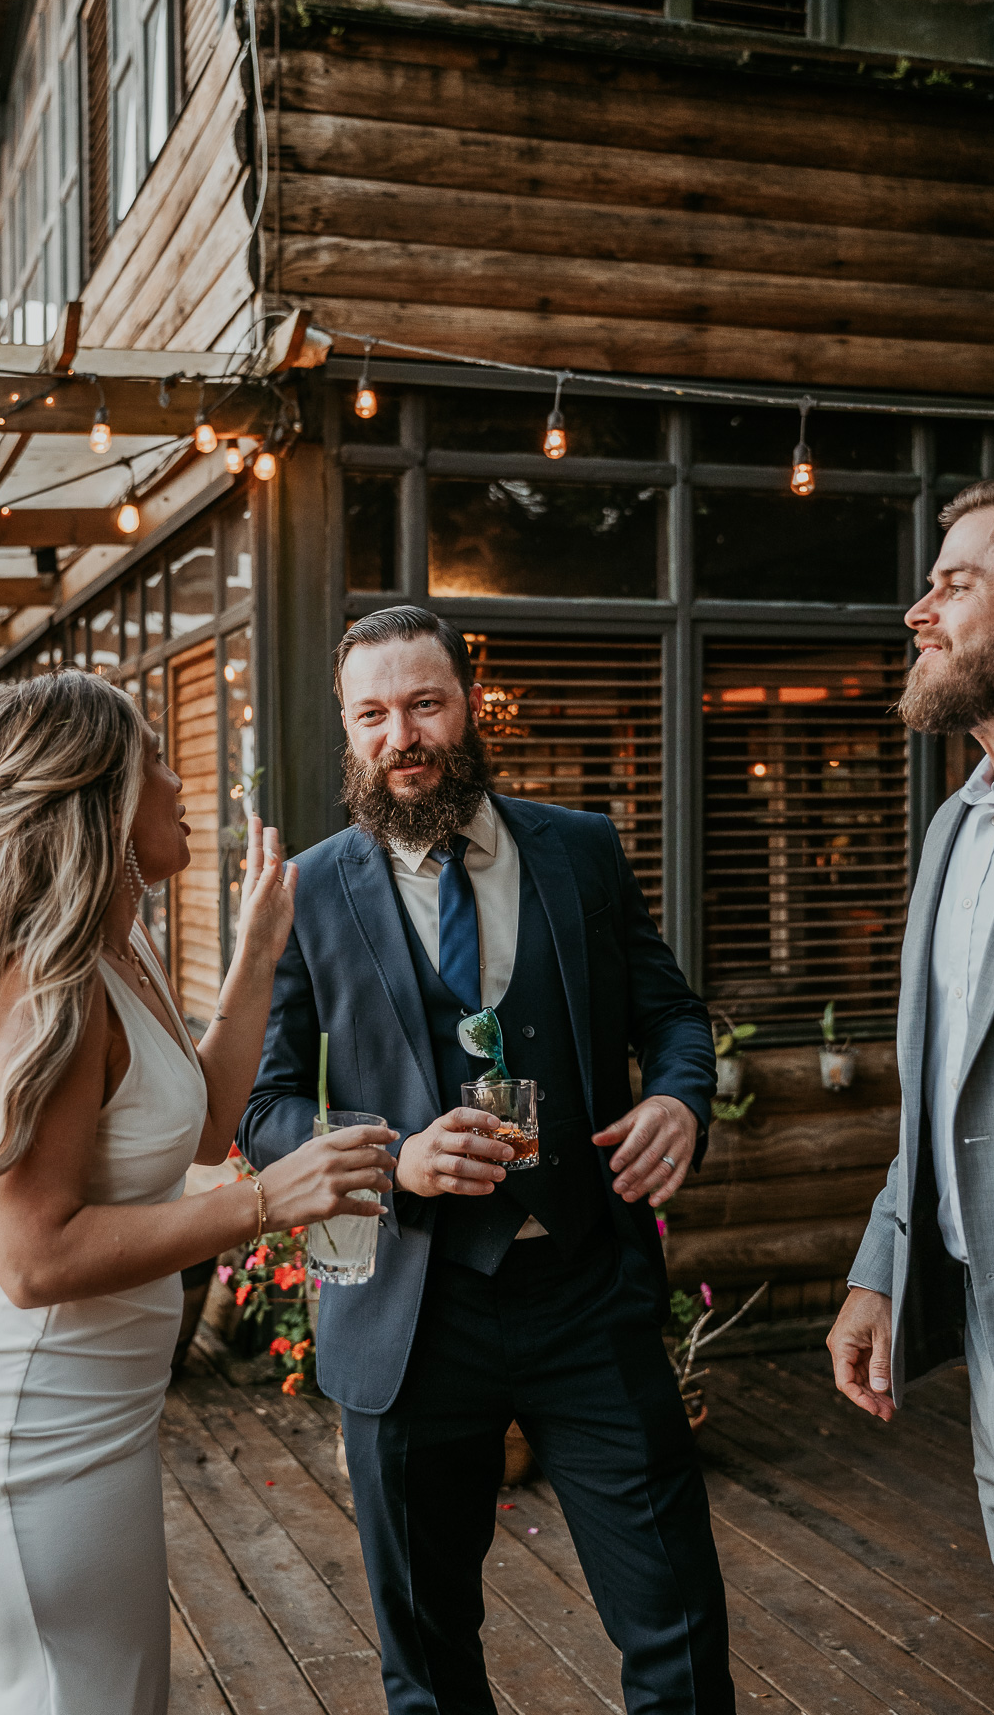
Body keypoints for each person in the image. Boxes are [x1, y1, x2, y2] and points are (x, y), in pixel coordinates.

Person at [0, 670, 395, 1715]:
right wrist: (268, 1201)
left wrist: (260, 945)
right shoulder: (48, 985)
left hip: (93, 1412)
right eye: (156, 761)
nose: (180, 784)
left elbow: (207, 1122)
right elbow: (33, 1261)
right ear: (98, 796)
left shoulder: (118, 948)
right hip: (27, 1429)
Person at [240, 607, 735, 1715]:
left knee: (681, 1630)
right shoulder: (308, 891)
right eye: (371, 715)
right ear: (348, 730)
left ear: (471, 704)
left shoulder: (583, 850)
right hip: (411, 1318)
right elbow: (263, 1110)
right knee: (428, 1664)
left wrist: (677, 1097)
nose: (399, 736)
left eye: (424, 704)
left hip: (585, 1295)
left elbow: (675, 1017)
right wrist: (393, 1158)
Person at [831, 476, 994, 1593]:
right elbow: (943, 1084)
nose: (918, 611)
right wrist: (882, 1266)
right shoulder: (954, 825)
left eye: (956, 583)